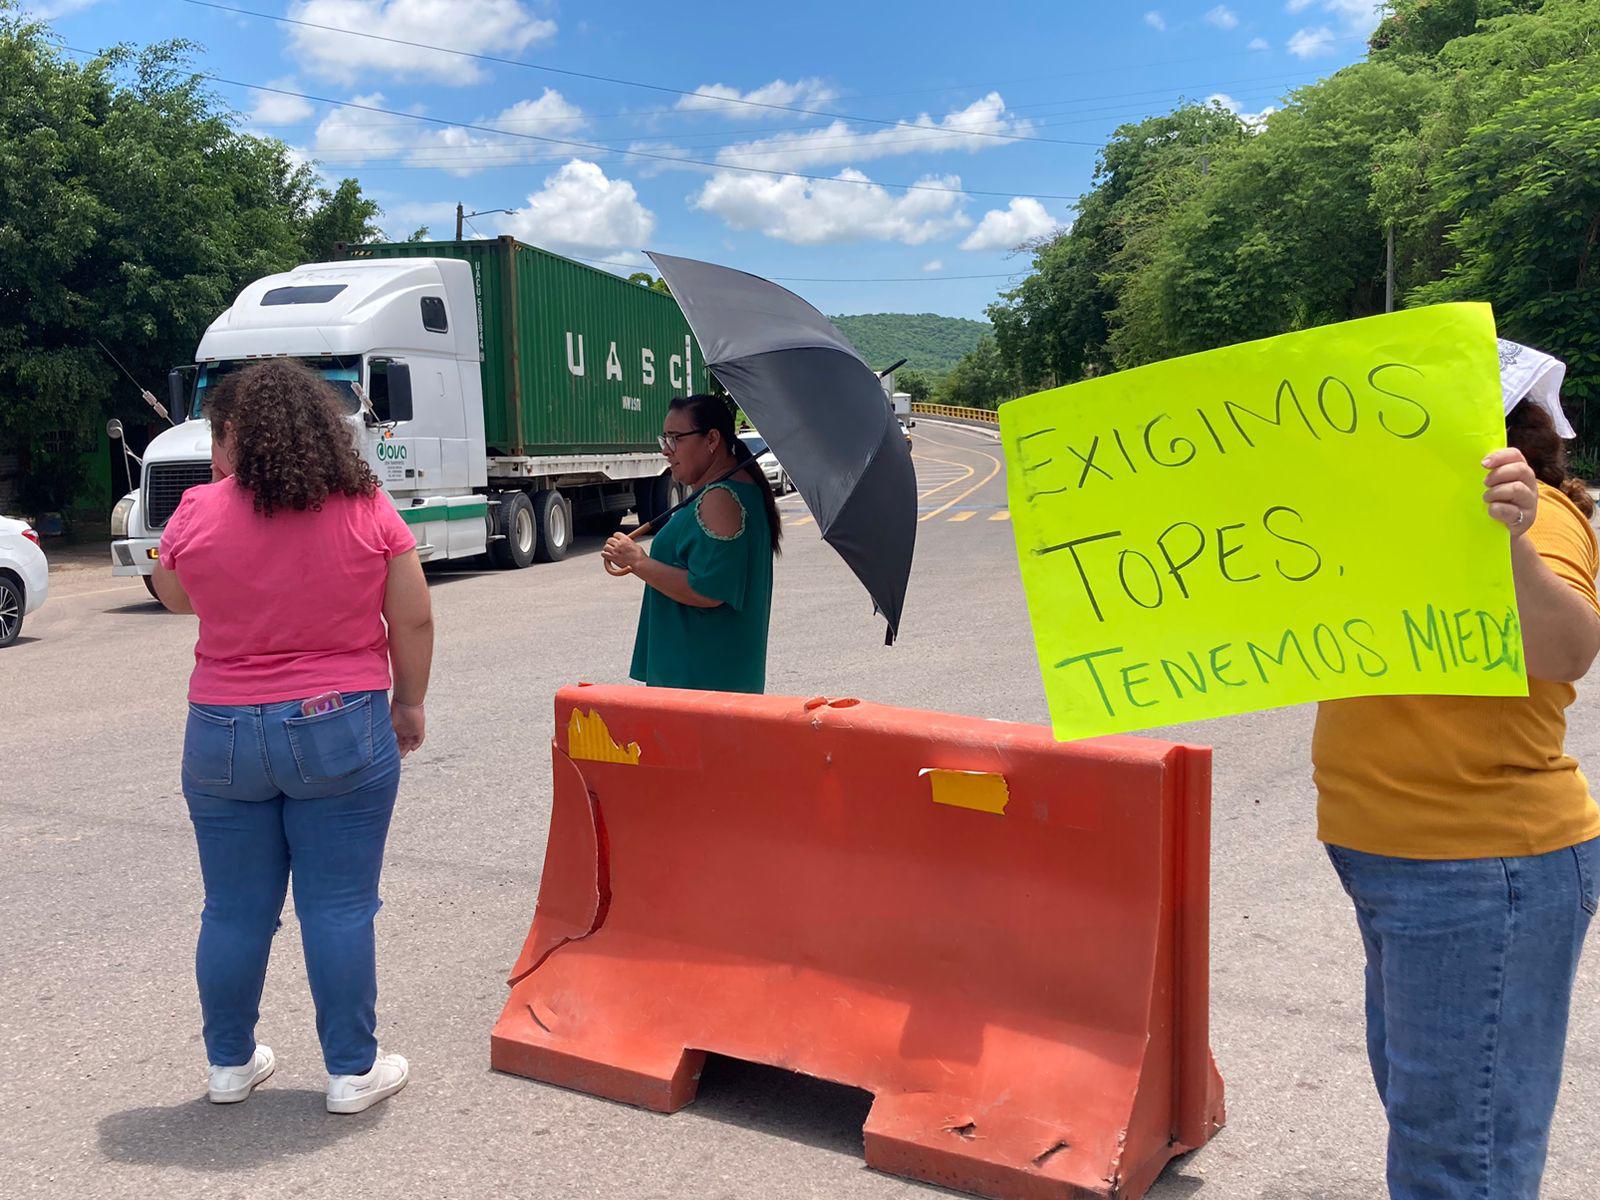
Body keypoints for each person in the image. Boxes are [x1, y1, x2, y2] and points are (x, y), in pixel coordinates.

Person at [1312, 339, 1600, 1198]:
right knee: (1434, 1120)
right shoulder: (1375, 517)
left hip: (1483, 866)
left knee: (1458, 1158)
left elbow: (1568, 649)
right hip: (1396, 860)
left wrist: (1506, 542)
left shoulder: (1536, 513)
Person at [152, 360, 434, 1114]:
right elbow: (412, 617)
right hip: (341, 720)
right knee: (339, 907)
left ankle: (229, 1065)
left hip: (221, 729)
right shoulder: (367, 507)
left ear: (235, 435)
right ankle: (350, 1072)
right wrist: (408, 705)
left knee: (233, 910)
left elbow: (178, 598)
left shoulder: (196, 511)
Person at [602, 393, 781, 693]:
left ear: (712, 439)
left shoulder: (720, 498)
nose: (666, 451)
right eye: (664, 439)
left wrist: (638, 561)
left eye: (675, 439)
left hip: (701, 683)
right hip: (702, 681)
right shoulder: (723, 491)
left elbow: (709, 591)